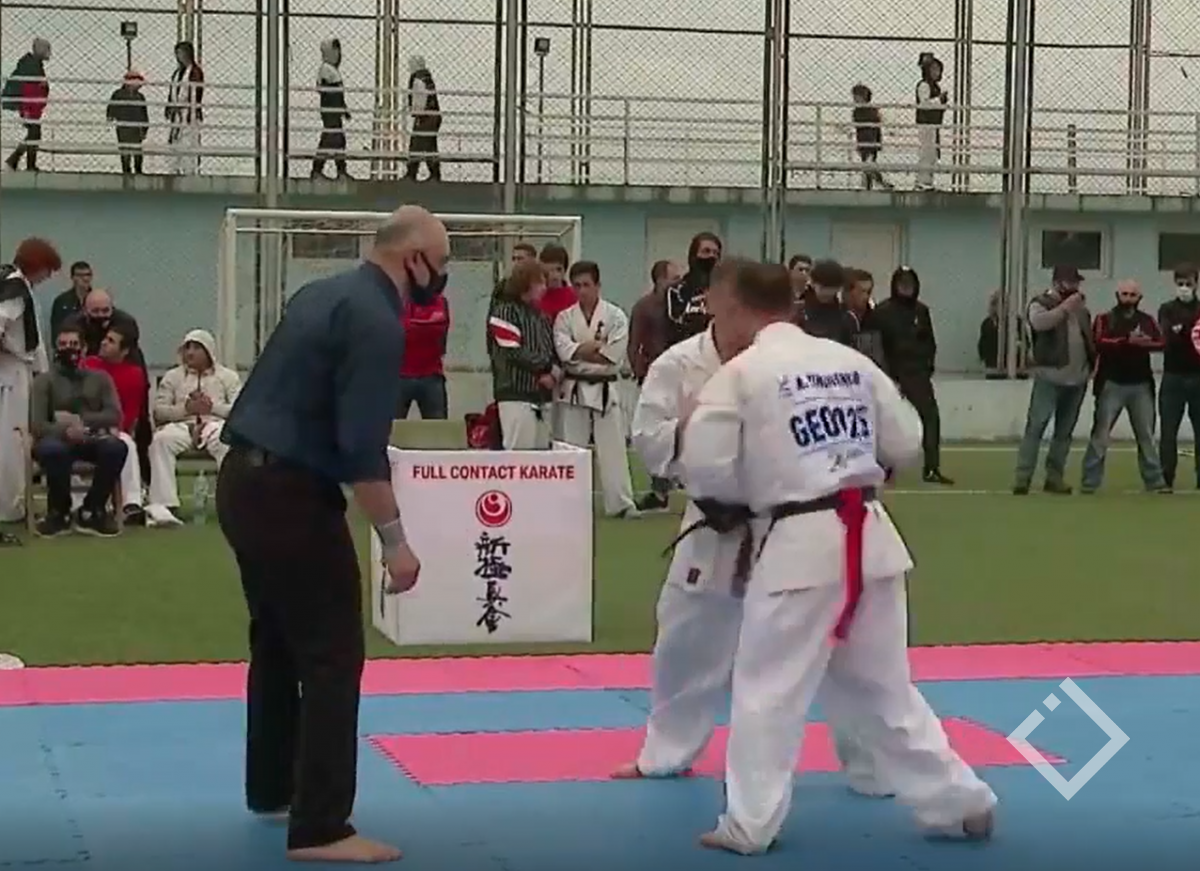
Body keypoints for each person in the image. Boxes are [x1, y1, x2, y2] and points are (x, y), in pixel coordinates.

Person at [677, 260, 996, 856]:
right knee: (887, 690)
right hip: (871, 539)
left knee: (767, 690)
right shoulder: (851, 363)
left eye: (716, 309)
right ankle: (961, 802)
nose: (715, 322)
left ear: (736, 306)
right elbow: (905, 441)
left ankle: (749, 824)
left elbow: (706, 470)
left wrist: (748, 486)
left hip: (797, 547)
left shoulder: (740, 374)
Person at [615, 257, 888, 798]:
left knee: (840, 647)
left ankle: (872, 765)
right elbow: (647, 441)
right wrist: (696, 428)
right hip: (716, 522)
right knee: (685, 640)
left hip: (795, 520)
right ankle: (666, 752)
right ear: (717, 304)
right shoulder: (678, 365)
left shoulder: (798, 362)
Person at [215, 205, 437, 864]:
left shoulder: (321, 294)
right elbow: (362, 448)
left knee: (278, 639)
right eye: (442, 264)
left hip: (241, 479)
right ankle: (321, 826)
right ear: (414, 260)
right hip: (290, 493)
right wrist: (396, 542)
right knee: (333, 653)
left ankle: (273, 786)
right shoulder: (377, 320)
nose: (441, 278)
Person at [553, 261, 637, 517]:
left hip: (605, 388)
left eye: (587, 285)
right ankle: (569, 504)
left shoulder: (616, 316)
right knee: (571, 448)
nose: (582, 291)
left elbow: (613, 356)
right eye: (577, 286)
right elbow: (564, 353)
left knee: (613, 448)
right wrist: (590, 350)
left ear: (598, 286)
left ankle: (621, 504)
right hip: (574, 388)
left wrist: (580, 351)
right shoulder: (565, 318)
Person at [30, 322, 127, 538]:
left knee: (116, 447)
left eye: (73, 344)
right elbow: (37, 424)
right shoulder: (44, 381)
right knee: (53, 451)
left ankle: (92, 509)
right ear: (56, 348)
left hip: (90, 437)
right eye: (63, 344)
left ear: (83, 348)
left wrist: (84, 423)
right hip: (55, 440)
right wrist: (65, 431)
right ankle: (59, 513)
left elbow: (114, 414)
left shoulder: (100, 378)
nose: (68, 349)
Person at [1012, 265, 1095, 495]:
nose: (1075, 287)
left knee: (1064, 432)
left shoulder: (1082, 311)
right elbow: (1039, 323)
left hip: (1077, 380)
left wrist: (1091, 364)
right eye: (1070, 282)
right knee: (1036, 426)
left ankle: (1054, 477)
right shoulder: (1041, 303)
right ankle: (1022, 478)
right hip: (1049, 377)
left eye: (1076, 282)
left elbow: (1088, 337)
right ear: (1057, 283)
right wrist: (1065, 308)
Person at [147, 328, 241, 527]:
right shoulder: (173, 377)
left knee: (226, 441)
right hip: (182, 426)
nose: (190, 353)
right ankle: (165, 506)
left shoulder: (228, 377)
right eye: (187, 348)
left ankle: (231, 503)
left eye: (196, 348)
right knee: (161, 440)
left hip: (215, 425)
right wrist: (185, 410)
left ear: (208, 351)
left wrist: (212, 408)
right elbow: (159, 412)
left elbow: (239, 410)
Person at [1081, 280, 1168, 493]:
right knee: (1100, 435)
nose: (1128, 298)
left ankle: (1155, 481)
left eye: (1132, 295)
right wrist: (1126, 341)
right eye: (1124, 294)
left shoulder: (1147, 320)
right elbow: (1098, 342)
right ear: (1117, 295)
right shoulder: (1104, 319)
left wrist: (1142, 342)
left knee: (1147, 436)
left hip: (1141, 385)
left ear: (1139, 298)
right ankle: (1090, 481)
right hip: (1111, 384)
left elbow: (1161, 342)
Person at [0, 238, 59, 542]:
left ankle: (14, 502)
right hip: (12, 370)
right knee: (13, 440)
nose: (47, 277)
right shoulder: (15, 289)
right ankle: (10, 506)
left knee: (14, 439)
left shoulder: (15, 285)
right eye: (47, 270)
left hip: (16, 367)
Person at [875, 266, 952, 484]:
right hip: (890, 377)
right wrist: (887, 376)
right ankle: (882, 468)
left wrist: (927, 366)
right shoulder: (882, 312)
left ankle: (932, 468)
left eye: (910, 283)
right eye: (902, 283)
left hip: (918, 376)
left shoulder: (921, 311)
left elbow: (930, 342)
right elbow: (876, 346)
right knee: (886, 424)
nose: (906, 288)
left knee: (930, 419)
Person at [81, 318, 149, 524]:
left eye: (111, 341)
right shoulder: (88, 365)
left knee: (126, 442)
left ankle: (131, 504)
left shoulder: (134, 374)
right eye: (105, 338)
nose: (103, 342)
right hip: (84, 427)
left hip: (115, 429)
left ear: (124, 350)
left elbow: (130, 414)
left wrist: (113, 429)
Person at [487, 259, 559, 449]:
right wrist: (544, 368)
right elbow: (512, 351)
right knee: (519, 453)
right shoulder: (504, 312)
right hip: (515, 395)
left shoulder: (542, 317)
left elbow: (551, 349)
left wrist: (553, 374)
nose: (544, 288)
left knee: (542, 454)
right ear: (526, 283)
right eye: (540, 283)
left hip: (542, 398)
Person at [629, 259, 682, 512]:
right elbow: (634, 342)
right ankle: (659, 490)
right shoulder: (645, 307)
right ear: (660, 280)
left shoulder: (682, 305)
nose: (678, 282)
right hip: (655, 376)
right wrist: (638, 370)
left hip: (682, 375)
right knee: (655, 433)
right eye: (674, 278)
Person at [1157, 263, 1200, 490]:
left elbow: (1186, 335)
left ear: (1196, 284)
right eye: (1180, 283)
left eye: (1188, 283)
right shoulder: (1166, 309)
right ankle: (1166, 478)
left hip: (1198, 376)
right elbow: (1168, 338)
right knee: (1168, 431)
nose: (1184, 288)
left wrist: (1183, 329)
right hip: (1172, 376)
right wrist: (1187, 330)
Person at [396, 281, 450, 419]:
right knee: (390, 427)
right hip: (400, 375)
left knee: (438, 427)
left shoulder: (441, 303)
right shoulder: (399, 301)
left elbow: (441, 337)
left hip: (431, 374)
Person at [665, 232, 722, 347]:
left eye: (716, 253)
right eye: (706, 251)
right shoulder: (677, 290)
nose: (712, 256)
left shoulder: (726, 290)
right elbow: (675, 322)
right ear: (694, 255)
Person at [2, 38, 50, 172]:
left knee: (34, 133)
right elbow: (29, 88)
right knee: (35, 132)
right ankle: (25, 164)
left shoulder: (31, 64)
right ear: (40, 49)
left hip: (30, 105)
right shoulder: (32, 66)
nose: (49, 53)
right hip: (29, 105)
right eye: (47, 49)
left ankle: (15, 161)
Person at [793, 258, 857, 345]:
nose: (827, 293)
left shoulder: (847, 317)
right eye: (823, 288)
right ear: (812, 282)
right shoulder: (798, 312)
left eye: (832, 288)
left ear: (839, 287)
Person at [313, 38, 351, 180]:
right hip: (330, 111)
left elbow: (338, 94)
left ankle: (339, 170)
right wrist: (339, 107)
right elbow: (326, 90)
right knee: (331, 138)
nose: (338, 55)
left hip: (334, 111)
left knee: (337, 140)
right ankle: (319, 170)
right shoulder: (326, 69)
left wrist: (343, 108)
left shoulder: (332, 70)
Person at [167, 40, 204, 176]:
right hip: (177, 114)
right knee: (175, 143)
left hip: (189, 113)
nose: (178, 56)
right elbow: (172, 90)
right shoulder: (177, 73)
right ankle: (175, 171)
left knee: (189, 144)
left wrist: (190, 108)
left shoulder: (195, 72)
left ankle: (190, 172)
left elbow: (196, 93)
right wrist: (170, 106)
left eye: (181, 53)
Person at [404, 55, 441, 181]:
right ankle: (434, 174)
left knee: (417, 144)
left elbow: (419, 100)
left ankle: (412, 173)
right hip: (433, 115)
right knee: (429, 145)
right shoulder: (427, 78)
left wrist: (416, 113)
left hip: (425, 117)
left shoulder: (418, 80)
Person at [851, 83, 893, 191]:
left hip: (870, 141)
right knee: (868, 164)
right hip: (864, 141)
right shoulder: (860, 111)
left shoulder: (868, 111)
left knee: (868, 164)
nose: (855, 99)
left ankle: (876, 183)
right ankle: (871, 185)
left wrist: (878, 142)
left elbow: (875, 126)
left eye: (857, 96)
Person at [914, 52, 947, 190]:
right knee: (926, 153)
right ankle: (922, 182)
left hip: (933, 124)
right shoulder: (924, 85)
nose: (937, 72)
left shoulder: (934, 87)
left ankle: (927, 181)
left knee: (932, 154)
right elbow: (924, 104)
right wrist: (939, 100)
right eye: (934, 69)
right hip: (926, 124)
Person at [106, 70, 149, 175]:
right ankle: (126, 171)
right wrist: (111, 116)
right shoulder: (118, 94)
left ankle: (138, 170)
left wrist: (144, 129)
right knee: (125, 151)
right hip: (123, 127)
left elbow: (144, 114)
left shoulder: (140, 97)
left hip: (136, 129)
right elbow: (111, 107)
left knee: (137, 151)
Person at [844, 267, 886, 368]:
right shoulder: (838, 317)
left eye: (869, 292)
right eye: (861, 292)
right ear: (849, 293)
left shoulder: (877, 318)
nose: (866, 296)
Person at [48, 261, 94, 340]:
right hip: (69, 344)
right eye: (80, 275)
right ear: (72, 277)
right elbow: (56, 330)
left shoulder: (99, 299)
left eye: (87, 275)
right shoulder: (61, 301)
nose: (85, 279)